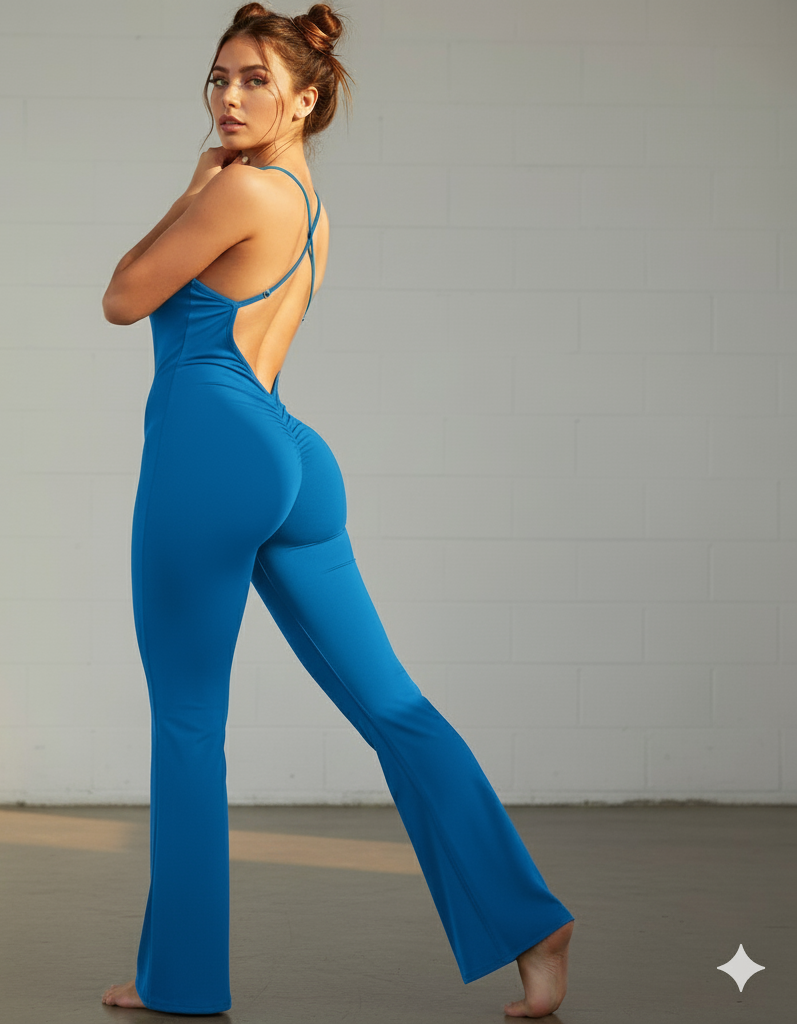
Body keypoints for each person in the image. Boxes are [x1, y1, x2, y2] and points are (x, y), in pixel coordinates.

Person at [100, 3, 574, 1016]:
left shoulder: (240, 192)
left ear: (306, 98)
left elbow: (123, 294)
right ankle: (533, 926)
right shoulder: (308, 204)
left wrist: (190, 188)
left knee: (187, 722)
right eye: (219, 78)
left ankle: (177, 981)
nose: (229, 98)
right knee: (391, 705)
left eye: (255, 82)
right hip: (290, 458)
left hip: (209, 455)